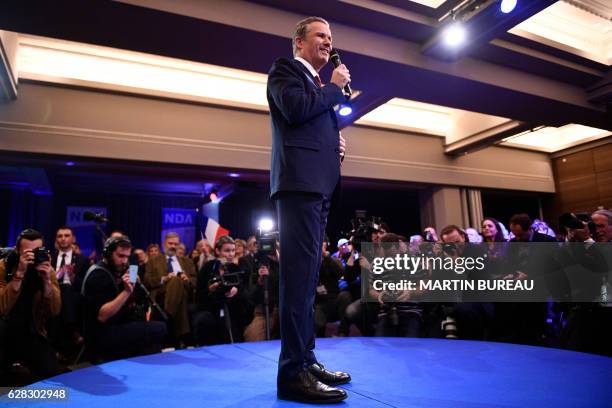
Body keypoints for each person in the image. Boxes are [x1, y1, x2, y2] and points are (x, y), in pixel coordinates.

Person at [267, 16, 351, 403]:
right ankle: (292, 374)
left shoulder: (320, 84)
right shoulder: (285, 71)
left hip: (318, 188)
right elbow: (296, 109)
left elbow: (312, 123)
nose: (328, 41)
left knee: (307, 281)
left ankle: (307, 359)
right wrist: (334, 90)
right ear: (299, 42)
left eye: (330, 37)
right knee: (297, 282)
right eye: (321, 35)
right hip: (299, 187)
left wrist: (334, 145)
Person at [82, 236, 166, 360]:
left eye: (127, 257)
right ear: (108, 254)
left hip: (117, 325)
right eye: (120, 256)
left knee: (149, 328)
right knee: (160, 328)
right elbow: (102, 315)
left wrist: (135, 285)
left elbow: (136, 300)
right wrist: (126, 291)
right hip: (100, 334)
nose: (124, 261)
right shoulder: (98, 274)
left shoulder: (118, 270)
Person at [0, 229, 61, 380]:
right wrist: (19, 274)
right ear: (16, 251)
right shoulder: (3, 267)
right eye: (27, 252)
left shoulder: (47, 270)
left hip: (32, 330)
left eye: (36, 251)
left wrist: (47, 281)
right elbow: (1, 307)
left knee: (50, 371)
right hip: (4, 330)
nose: (32, 256)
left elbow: (54, 311)